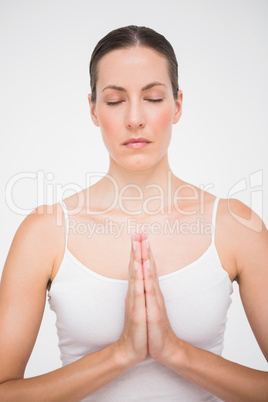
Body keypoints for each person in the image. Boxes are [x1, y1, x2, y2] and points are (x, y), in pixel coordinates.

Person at [0, 25, 267, 402]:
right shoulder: (44, 233)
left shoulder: (236, 226)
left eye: (153, 97)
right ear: (93, 109)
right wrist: (120, 354)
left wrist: (175, 352)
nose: (135, 118)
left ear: (178, 104)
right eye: (114, 100)